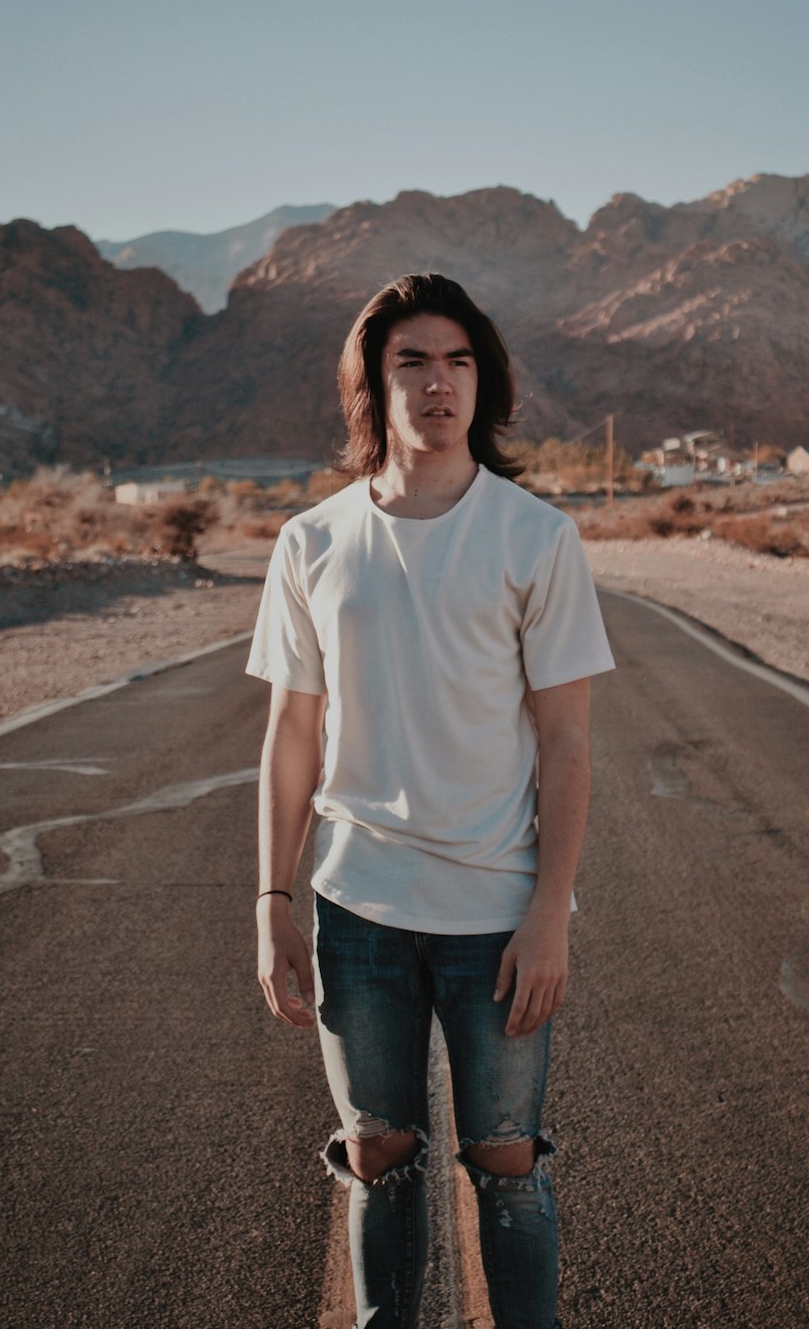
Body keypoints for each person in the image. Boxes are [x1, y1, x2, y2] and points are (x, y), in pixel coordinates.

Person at [246, 272, 614, 1328]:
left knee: (505, 1168)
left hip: (497, 914)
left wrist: (551, 912)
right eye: (411, 359)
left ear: (482, 382)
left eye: (456, 360)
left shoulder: (534, 536)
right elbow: (290, 737)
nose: (436, 382)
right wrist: (272, 902)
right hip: (357, 909)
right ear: (374, 382)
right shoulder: (310, 541)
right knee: (380, 1160)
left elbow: (567, 740)